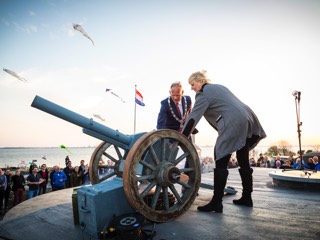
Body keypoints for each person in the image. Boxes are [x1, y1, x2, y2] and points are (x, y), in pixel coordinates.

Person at [181, 70, 266, 213]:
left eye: (192, 84)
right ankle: (247, 197)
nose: (192, 88)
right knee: (243, 158)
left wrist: (183, 136)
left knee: (220, 158)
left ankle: (216, 202)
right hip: (247, 118)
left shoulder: (203, 93)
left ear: (200, 81)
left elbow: (193, 117)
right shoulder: (219, 87)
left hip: (233, 122)